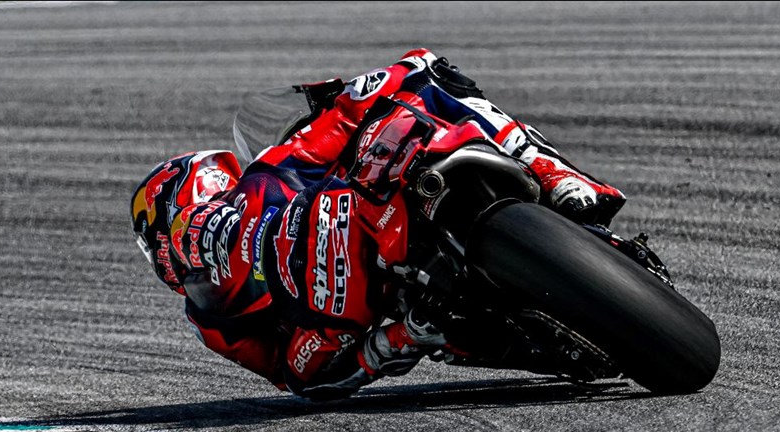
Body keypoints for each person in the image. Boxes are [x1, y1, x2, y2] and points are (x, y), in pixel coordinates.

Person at [130, 49, 626, 400]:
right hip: (365, 283)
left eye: (152, 245)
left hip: (371, 275)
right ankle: (552, 174)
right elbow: (293, 374)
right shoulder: (263, 180)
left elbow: (295, 379)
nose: (159, 258)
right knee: (425, 70)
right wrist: (380, 82)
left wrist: (393, 342)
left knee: (435, 334)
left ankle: (544, 180)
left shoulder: (212, 309)